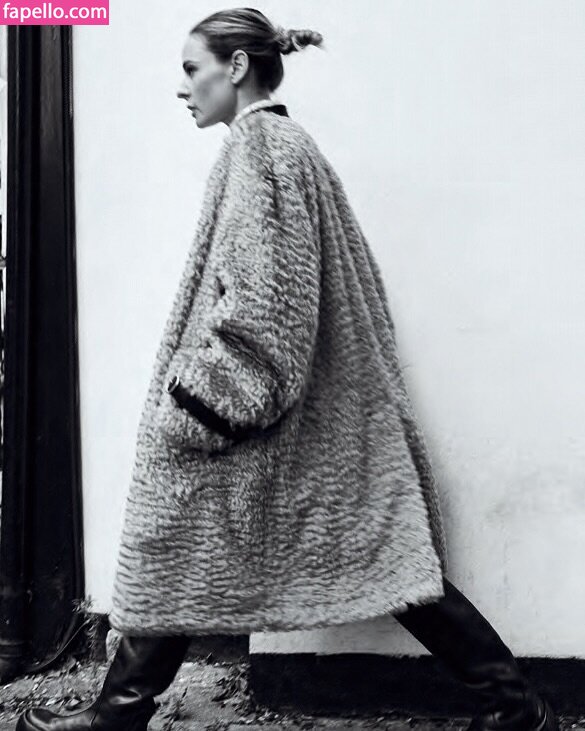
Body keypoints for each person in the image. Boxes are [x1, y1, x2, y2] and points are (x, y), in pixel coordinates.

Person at [16, 8, 558, 731]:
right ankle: (118, 714)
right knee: (249, 550)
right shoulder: (283, 146)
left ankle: (514, 703)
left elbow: (266, 306)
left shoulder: (262, 151)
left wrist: (198, 403)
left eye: (192, 68)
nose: (182, 87)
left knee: (207, 536)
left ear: (236, 67)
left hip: (276, 419)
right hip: (320, 422)